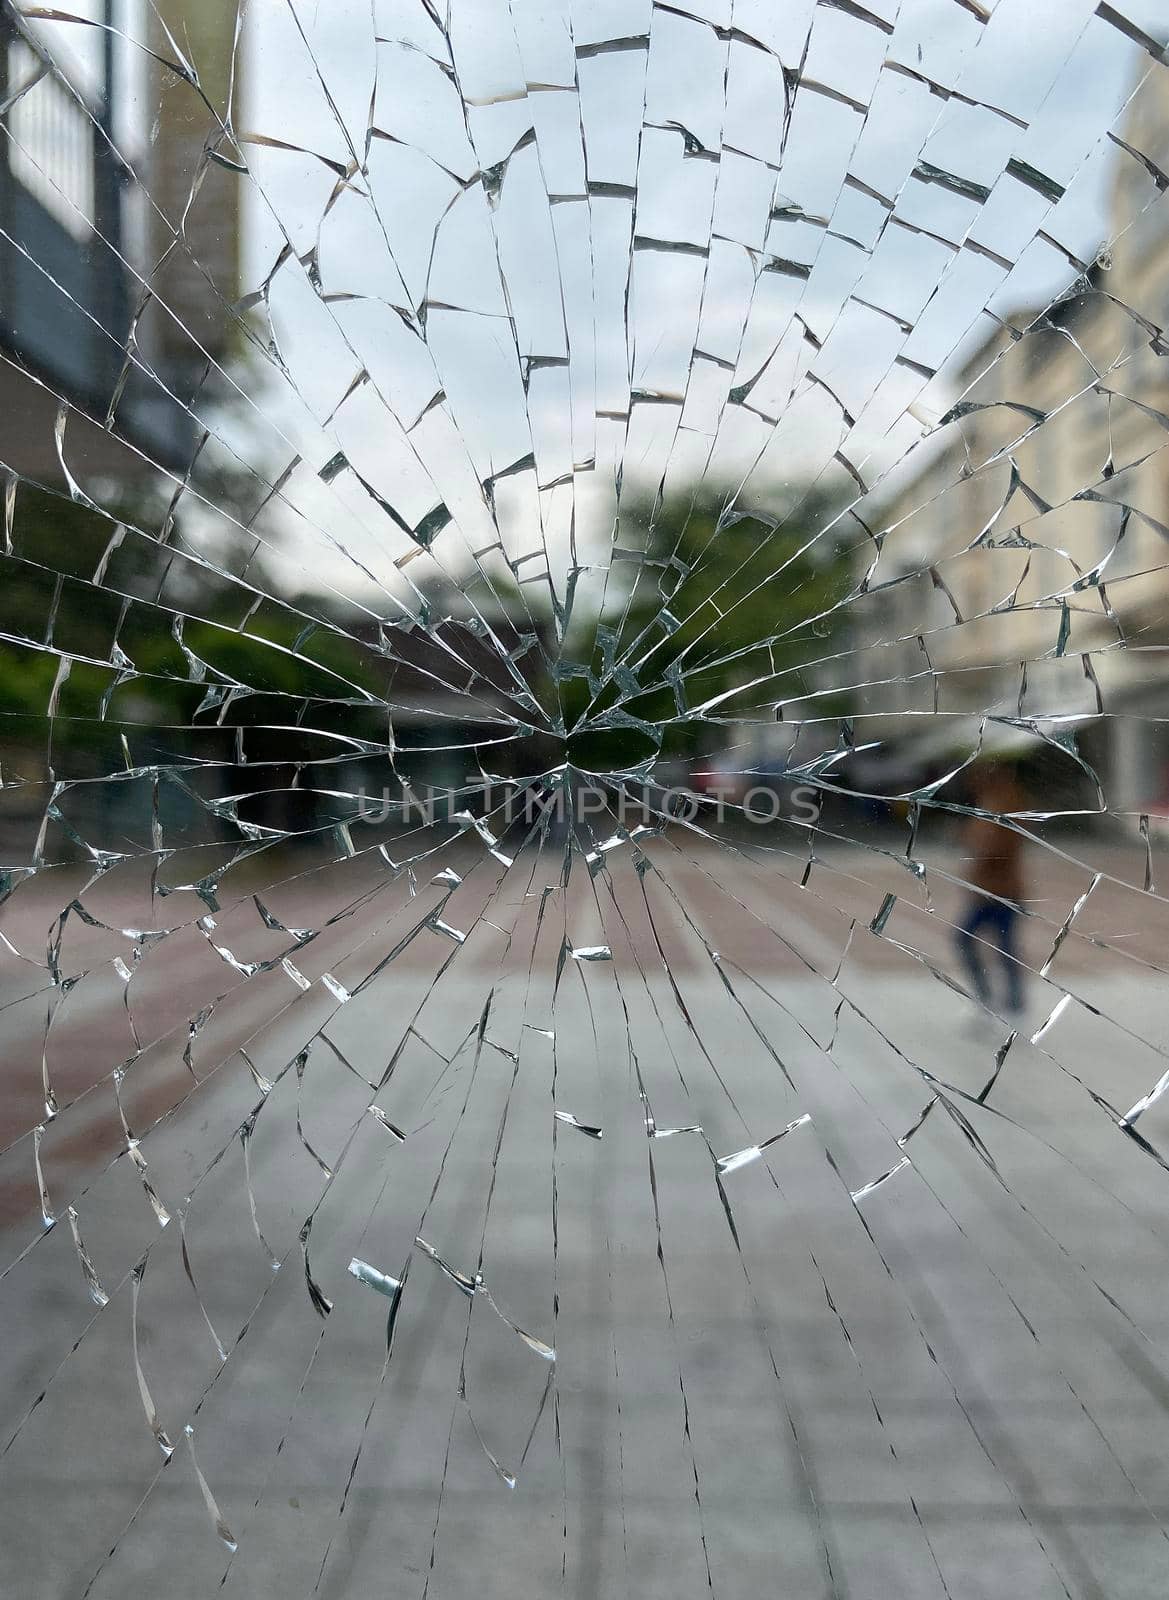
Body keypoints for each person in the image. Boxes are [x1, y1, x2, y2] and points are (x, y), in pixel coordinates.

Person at [954, 766, 1026, 1016]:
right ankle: (995, 996)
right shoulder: (988, 804)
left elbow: (998, 848)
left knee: (1002, 945)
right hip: (988, 893)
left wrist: (978, 845)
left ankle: (1012, 1000)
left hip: (1003, 894)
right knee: (980, 941)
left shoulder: (1006, 805)